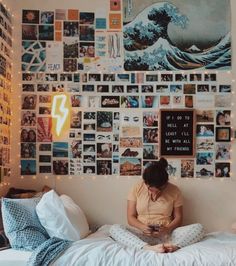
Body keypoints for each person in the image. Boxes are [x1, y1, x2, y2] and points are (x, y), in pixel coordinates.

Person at [109, 158, 204, 253]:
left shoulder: (175, 190)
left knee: (199, 227)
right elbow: (130, 217)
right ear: (145, 182)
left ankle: (174, 246)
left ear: (165, 184)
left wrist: (167, 229)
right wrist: (142, 227)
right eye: (151, 189)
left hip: (168, 235)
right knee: (114, 228)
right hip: (142, 235)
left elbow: (178, 218)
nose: (155, 193)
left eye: (159, 190)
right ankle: (147, 248)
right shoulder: (137, 188)